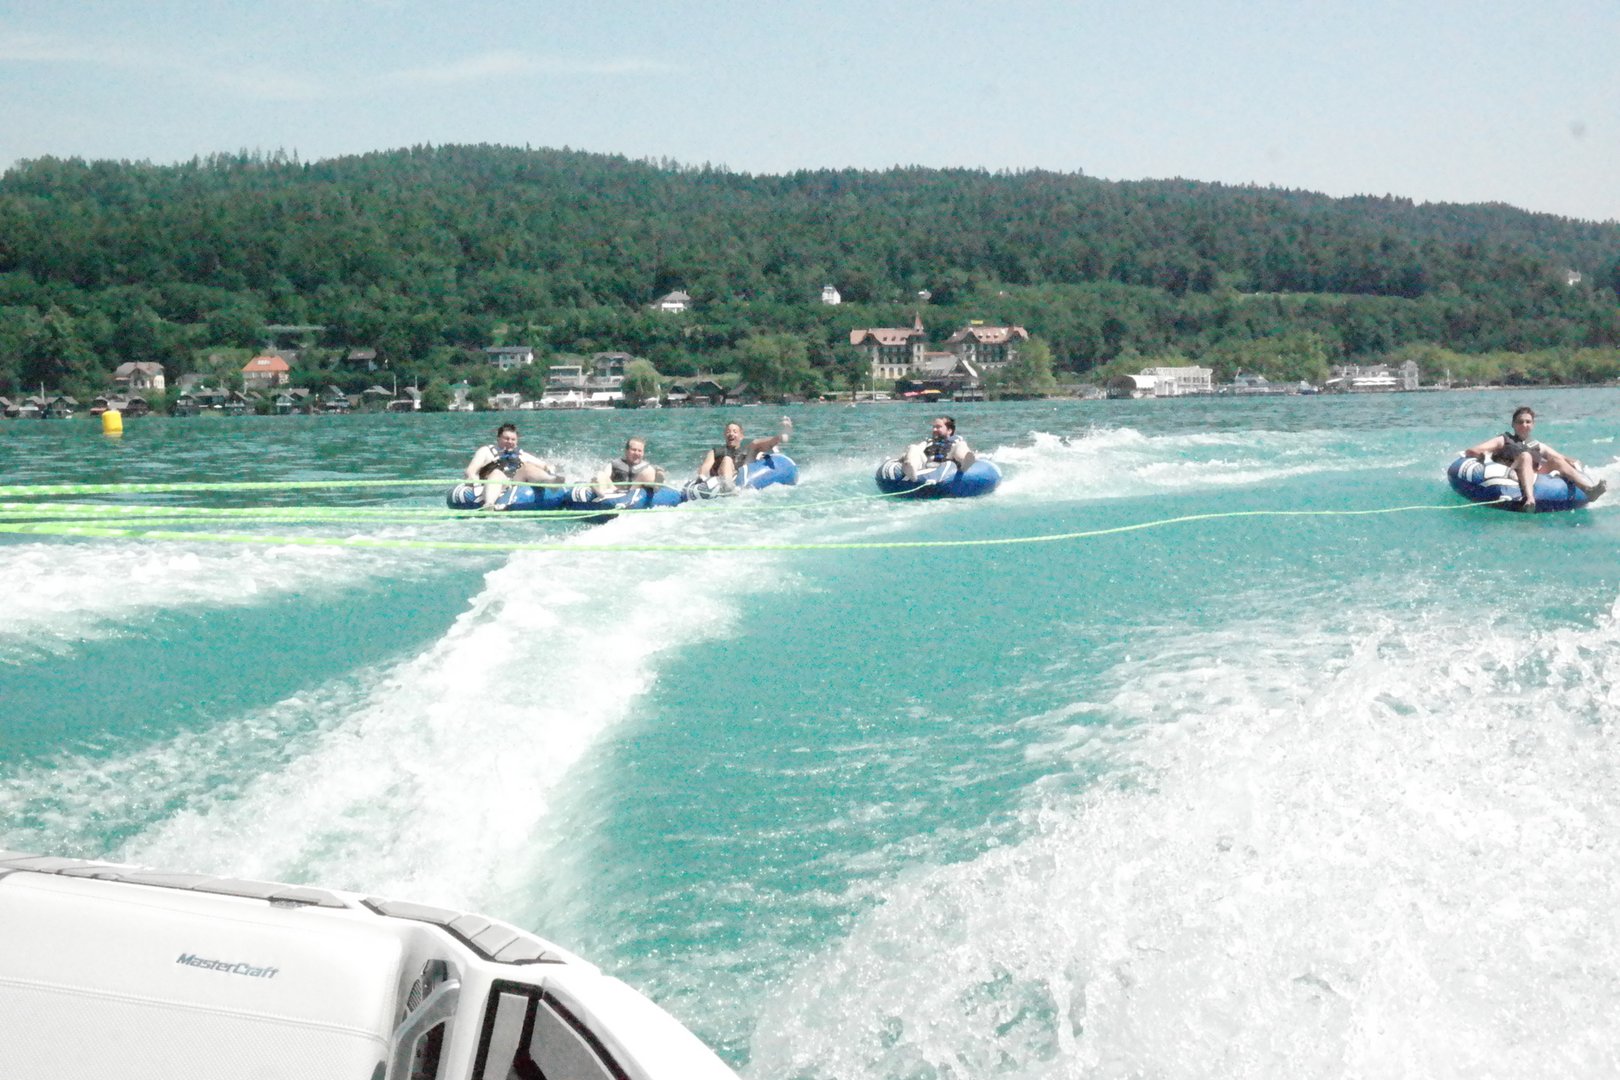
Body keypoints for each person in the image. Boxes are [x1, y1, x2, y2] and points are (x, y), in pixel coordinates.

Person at [1462, 405, 1606, 511]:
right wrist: (1481, 456)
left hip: (1535, 475)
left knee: (1556, 461)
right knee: (1526, 456)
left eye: (1528, 422)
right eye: (1520, 422)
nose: (1524, 425)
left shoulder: (1535, 444)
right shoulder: (1503, 439)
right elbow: (1474, 450)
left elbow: (1558, 457)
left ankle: (1589, 490)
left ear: (1533, 425)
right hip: (1511, 473)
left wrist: (1571, 461)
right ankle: (1529, 498)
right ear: (1513, 424)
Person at [464, 423, 562, 510]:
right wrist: (473, 479)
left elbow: (543, 465)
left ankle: (552, 481)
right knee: (497, 473)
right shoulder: (486, 451)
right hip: (495, 481)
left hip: (514, 483)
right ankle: (489, 504)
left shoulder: (521, 454)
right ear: (498, 438)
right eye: (506, 439)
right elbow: (471, 470)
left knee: (527, 467)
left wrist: (550, 468)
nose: (510, 442)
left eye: (513, 439)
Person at [696, 417, 792, 491]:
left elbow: (767, 443)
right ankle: (728, 487)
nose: (731, 434)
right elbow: (706, 465)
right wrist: (702, 477)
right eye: (728, 431)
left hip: (742, 481)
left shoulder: (749, 449)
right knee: (727, 459)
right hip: (721, 483)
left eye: (735, 431)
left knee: (754, 445)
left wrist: (782, 435)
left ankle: (730, 488)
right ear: (725, 435)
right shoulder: (716, 451)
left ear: (742, 436)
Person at [902, 416, 975, 481]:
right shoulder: (928, 441)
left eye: (938, 427)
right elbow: (917, 450)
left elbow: (962, 448)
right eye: (933, 427)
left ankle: (965, 463)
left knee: (961, 445)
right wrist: (905, 457)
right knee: (913, 447)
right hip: (927, 464)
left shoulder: (956, 441)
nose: (934, 430)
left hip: (950, 461)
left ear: (949, 430)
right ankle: (911, 471)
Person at [593, 436, 663, 500]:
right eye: (634, 450)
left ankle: (656, 485)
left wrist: (659, 475)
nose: (636, 453)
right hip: (614, 491)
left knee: (647, 472)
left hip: (635, 490)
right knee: (600, 474)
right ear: (626, 451)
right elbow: (606, 475)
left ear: (643, 453)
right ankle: (599, 492)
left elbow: (652, 473)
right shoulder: (614, 464)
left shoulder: (647, 468)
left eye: (640, 451)